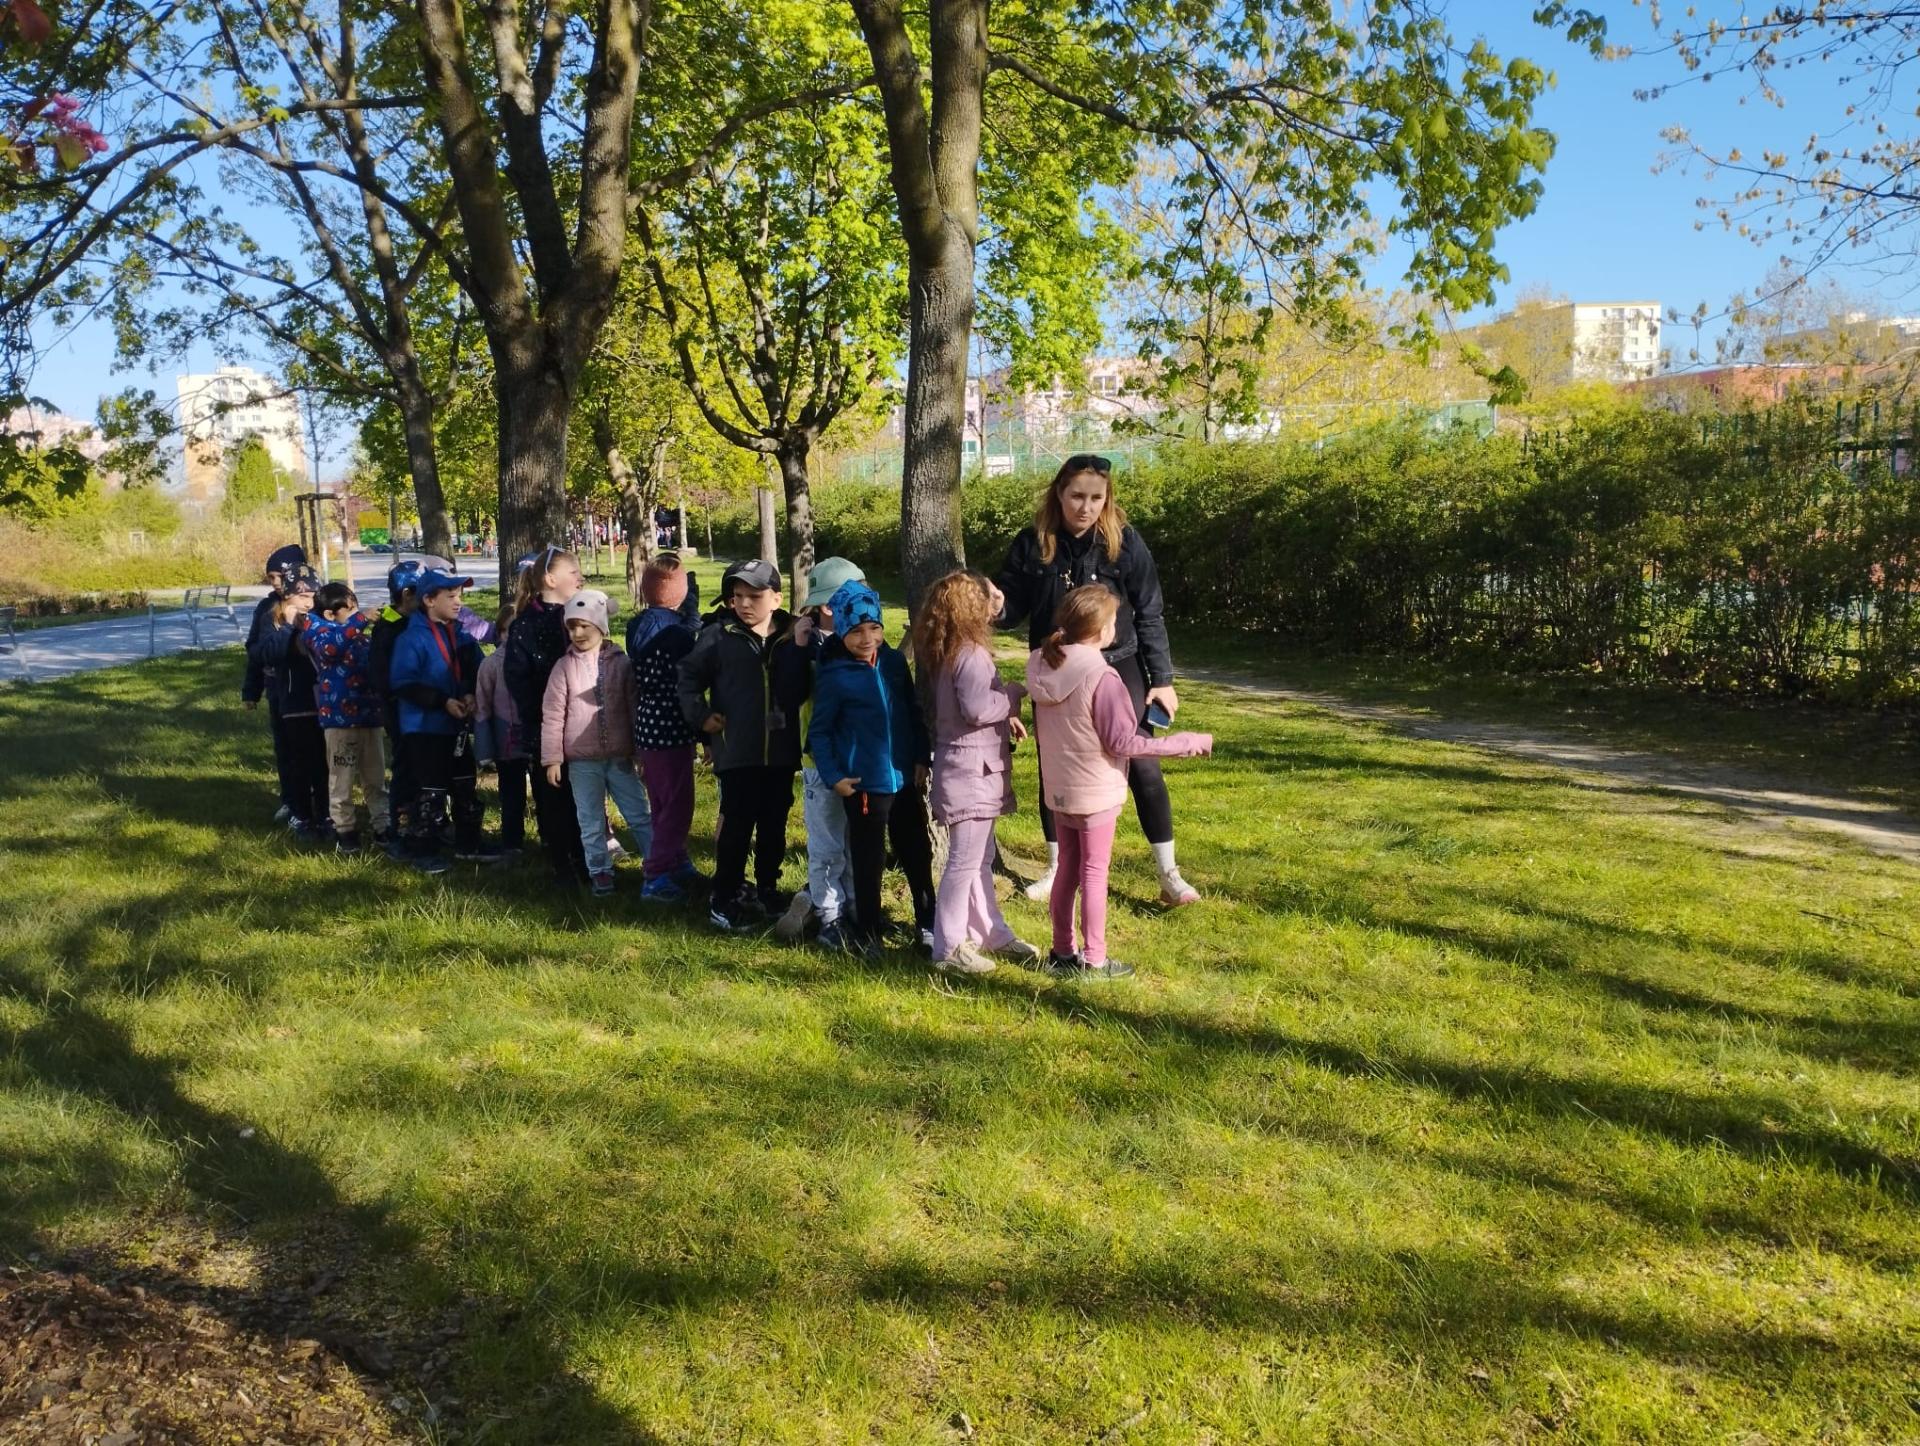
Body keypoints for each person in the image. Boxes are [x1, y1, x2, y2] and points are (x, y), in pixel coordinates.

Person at [996, 454, 1201, 906]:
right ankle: (1057, 868)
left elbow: (1149, 611)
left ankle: (1169, 874)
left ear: (1107, 498)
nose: (1085, 507)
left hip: (1118, 663)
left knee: (1141, 761)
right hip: (1058, 666)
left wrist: (1162, 678)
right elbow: (1011, 609)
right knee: (1056, 765)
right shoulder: (1032, 543)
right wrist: (994, 604)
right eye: (1076, 496)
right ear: (1059, 493)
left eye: (1096, 498)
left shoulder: (1124, 542)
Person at [1025, 585, 1212, 979]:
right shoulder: (1103, 678)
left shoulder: (1042, 664)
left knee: (1067, 871)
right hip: (1095, 793)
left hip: (1059, 789)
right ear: (1103, 630)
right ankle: (1095, 959)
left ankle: (1062, 953)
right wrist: (1184, 744)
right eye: (1112, 621)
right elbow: (1123, 743)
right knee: (1094, 874)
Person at [916, 570, 1044, 974]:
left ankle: (991, 931)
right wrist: (1011, 696)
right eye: (990, 597)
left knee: (980, 857)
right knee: (964, 861)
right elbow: (975, 709)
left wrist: (1004, 713)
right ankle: (949, 947)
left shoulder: (954, 651)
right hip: (970, 774)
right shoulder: (969, 655)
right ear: (972, 607)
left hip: (973, 771)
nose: (997, 601)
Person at [677, 558, 809, 931]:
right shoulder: (718, 636)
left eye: (755, 596)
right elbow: (687, 677)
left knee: (774, 825)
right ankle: (724, 896)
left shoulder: (792, 636)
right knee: (736, 825)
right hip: (736, 750)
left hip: (781, 752)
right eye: (737, 596)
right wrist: (701, 717)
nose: (745, 603)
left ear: (777, 598)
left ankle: (767, 888)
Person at [806, 580, 936, 955]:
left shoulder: (894, 663)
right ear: (842, 631)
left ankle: (928, 924)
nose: (867, 639)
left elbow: (913, 710)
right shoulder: (834, 674)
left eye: (874, 628)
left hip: (904, 778)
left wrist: (920, 756)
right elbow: (820, 732)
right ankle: (868, 932)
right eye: (857, 631)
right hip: (863, 786)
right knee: (868, 860)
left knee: (916, 851)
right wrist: (834, 777)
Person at [773, 556, 866, 945]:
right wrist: (798, 648)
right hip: (821, 762)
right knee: (827, 843)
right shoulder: (803, 644)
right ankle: (830, 916)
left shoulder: (865, 637)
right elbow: (789, 695)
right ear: (828, 605)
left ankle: (856, 910)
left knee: (855, 842)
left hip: (860, 757)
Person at [540, 588, 652, 897]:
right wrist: (552, 758)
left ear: (601, 626)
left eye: (584, 626)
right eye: (571, 627)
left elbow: (634, 707)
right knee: (589, 819)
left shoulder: (621, 663)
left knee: (639, 813)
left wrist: (640, 750)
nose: (577, 633)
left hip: (620, 757)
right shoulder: (563, 667)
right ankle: (600, 871)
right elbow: (552, 714)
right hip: (582, 761)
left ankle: (658, 864)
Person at [388, 568, 493, 872]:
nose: (458, 602)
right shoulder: (412, 638)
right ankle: (423, 850)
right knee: (431, 790)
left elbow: (474, 667)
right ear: (429, 600)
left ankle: (468, 843)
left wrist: (469, 693)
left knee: (464, 784)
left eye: (459, 596)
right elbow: (403, 682)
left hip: (455, 726)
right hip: (424, 727)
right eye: (451, 596)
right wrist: (441, 701)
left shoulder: (461, 634)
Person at [505, 545, 589, 883]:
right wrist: (541, 717)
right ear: (551, 579)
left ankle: (587, 858)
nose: (580, 578)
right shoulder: (526, 624)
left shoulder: (578, 619)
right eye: (573, 572)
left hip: (582, 724)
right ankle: (562, 862)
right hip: (545, 728)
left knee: (583, 795)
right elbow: (517, 679)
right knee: (553, 795)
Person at [626, 556, 704, 903]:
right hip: (672, 724)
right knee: (678, 804)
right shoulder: (678, 635)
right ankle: (656, 873)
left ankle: (676, 860)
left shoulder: (636, 625)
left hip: (647, 722)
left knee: (660, 799)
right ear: (681, 593)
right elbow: (690, 667)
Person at [304, 581, 391, 853]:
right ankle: (345, 831)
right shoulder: (318, 632)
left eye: (357, 609)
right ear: (330, 614)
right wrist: (361, 620)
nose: (356, 615)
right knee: (341, 780)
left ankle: (383, 826)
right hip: (340, 721)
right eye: (350, 610)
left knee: (375, 779)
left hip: (369, 718)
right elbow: (332, 649)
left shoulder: (358, 635)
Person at [247, 567, 328, 841]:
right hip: (293, 703)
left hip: (323, 702)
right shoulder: (273, 618)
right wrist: (289, 628)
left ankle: (326, 813)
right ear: (288, 595)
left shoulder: (320, 616)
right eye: (302, 596)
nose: (308, 602)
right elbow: (263, 653)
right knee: (298, 762)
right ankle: (301, 814)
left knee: (323, 762)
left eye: (313, 595)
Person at [241, 542, 308, 823]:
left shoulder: (314, 601)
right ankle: (291, 800)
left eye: (279, 576)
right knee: (285, 747)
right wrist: (251, 690)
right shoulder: (267, 608)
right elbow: (255, 650)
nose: (276, 583)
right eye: (271, 578)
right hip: (277, 688)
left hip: (309, 689)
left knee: (310, 749)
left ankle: (318, 801)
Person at [370, 561, 425, 858]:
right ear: (406, 594)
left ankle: (425, 821)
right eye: (424, 592)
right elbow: (381, 675)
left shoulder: (416, 622)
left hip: (420, 710)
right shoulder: (389, 628)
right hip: (399, 710)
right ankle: (400, 829)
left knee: (422, 767)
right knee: (405, 768)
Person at [473, 604, 529, 852]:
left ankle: (551, 837)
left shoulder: (536, 659)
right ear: (499, 633)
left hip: (537, 739)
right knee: (512, 794)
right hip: (506, 742)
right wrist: (484, 749)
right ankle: (512, 843)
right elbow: (482, 707)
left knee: (547, 792)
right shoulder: (491, 665)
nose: (514, 636)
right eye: (507, 631)